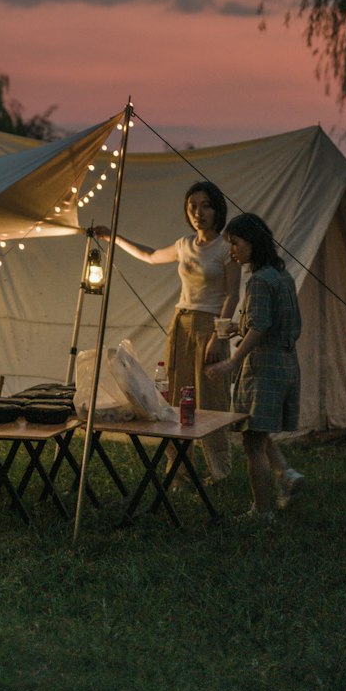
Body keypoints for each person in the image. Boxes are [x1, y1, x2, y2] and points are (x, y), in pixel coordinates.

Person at [95, 180, 240, 481]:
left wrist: (218, 335)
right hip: (181, 323)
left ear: (217, 209)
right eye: (192, 207)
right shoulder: (184, 245)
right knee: (177, 397)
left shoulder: (227, 248)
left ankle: (221, 470)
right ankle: (179, 469)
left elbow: (232, 295)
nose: (198, 213)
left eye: (205, 206)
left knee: (211, 397)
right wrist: (113, 238)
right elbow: (149, 256)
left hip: (210, 325)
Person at [206, 211, 303, 521]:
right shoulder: (280, 273)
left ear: (252, 242)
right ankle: (286, 475)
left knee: (251, 443)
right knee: (256, 432)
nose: (232, 251)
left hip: (264, 367)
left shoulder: (259, 281)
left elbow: (261, 327)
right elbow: (268, 321)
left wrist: (233, 360)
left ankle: (261, 511)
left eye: (235, 243)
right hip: (286, 363)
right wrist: (238, 326)